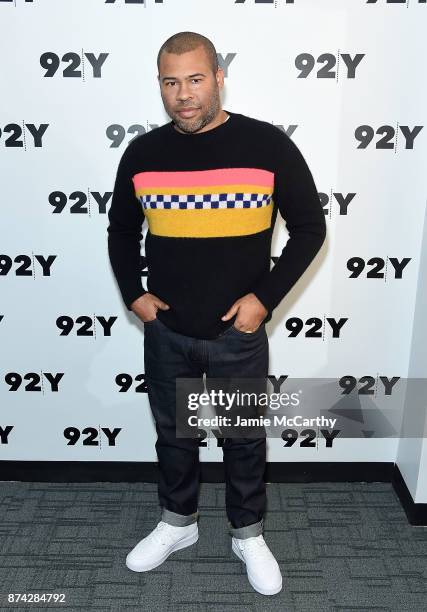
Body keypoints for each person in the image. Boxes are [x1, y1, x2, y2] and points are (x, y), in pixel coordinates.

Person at [107, 31, 326, 597]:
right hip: (169, 330)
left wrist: (264, 300)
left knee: (243, 438)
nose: (183, 94)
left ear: (219, 77)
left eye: (195, 79)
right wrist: (134, 293)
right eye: (170, 81)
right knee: (174, 436)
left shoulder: (267, 146)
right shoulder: (143, 153)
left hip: (237, 332)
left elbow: (309, 229)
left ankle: (247, 532)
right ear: (159, 84)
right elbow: (122, 231)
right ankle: (177, 523)